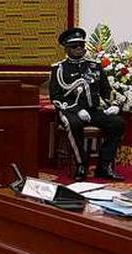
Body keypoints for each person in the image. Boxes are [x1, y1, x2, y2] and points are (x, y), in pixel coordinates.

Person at [49, 27, 126, 181]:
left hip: (93, 110)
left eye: (81, 45)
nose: (79, 49)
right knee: (74, 124)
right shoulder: (59, 68)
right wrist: (77, 110)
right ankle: (81, 164)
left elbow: (106, 90)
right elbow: (56, 97)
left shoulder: (94, 66)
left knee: (117, 123)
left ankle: (104, 166)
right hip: (70, 111)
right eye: (74, 46)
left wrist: (115, 104)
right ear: (66, 48)